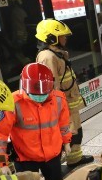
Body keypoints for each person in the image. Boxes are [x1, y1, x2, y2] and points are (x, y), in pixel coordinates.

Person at [35, 19, 94, 167]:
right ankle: (62, 162)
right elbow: (52, 88)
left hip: (69, 103)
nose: (65, 38)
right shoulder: (48, 57)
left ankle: (75, 158)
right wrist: (59, 110)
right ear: (50, 37)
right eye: (62, 35)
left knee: (75, 132)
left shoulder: (57, 54)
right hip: (63, 106)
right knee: (69, 134)